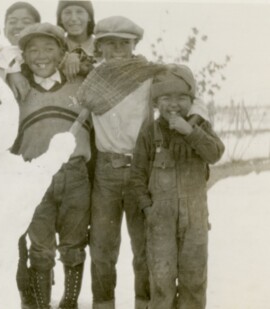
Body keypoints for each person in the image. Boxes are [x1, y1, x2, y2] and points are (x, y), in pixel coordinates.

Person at [76, 16, 210, 309]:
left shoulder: (150, 75)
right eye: (109, 44)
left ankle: (145, 302)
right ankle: (103, 303)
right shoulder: (93, 80)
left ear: (134, 44)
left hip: (142, 170)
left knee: (145, 246)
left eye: (124, 43)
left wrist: (193, 122)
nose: (117, 50)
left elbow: (194, 98)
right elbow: (78, 116)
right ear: (99, 47)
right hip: (106, 172)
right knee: (102, 247)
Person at [130, 64, 224, 309]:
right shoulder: (150, 133)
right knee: (161, 280)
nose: (174, 104)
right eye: (165, 98)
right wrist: (148, 209)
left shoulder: (201, 127)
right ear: (155, 102)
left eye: (181, 97)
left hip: (195, 218)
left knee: (194, 278)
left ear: (191, 100)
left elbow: (215, 154)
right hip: (160, 219)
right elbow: (137, 175)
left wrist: (191, 132)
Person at [12, 23, 91, 309]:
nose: (41, 55)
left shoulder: (80, 84)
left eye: (48, 48)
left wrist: (79, 58)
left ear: (61, 52)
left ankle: (69, 303)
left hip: (75, 175)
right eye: (32, 49)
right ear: (23, 56)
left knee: (73, 247)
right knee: (41, 250)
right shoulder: (16, 88)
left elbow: (105, 70)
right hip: (33, 177)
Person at [0, 1, 40, 80]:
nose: (19, 26)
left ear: (39, 28)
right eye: (12, 22)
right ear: (5, 30)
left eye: (26, 22)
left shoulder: (49, 56)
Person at [56, 0, 97, 80]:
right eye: (67, 13)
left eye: (79, 12)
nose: (74, 18)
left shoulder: (102, 46)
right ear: (60, 19)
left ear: (89, 17)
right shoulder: (55, 48)